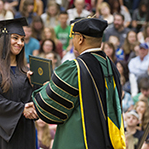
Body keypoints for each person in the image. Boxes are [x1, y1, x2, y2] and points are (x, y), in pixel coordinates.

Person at [30, 18, 126, 148]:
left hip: (78, 141)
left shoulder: (75, 68)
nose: (72, 40)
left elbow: (49, 107)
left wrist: (45, 87)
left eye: (73, 36)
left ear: (80, 39)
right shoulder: (110, 66)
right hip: (106, 140)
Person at [0, 17, 37, 149]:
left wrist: (34, 86)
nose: (20, 43)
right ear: (5, 39)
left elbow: (31, 102)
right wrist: (21, 109)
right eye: (15, 38)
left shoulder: (26, 71)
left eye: (22, 39)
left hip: (22, 132)